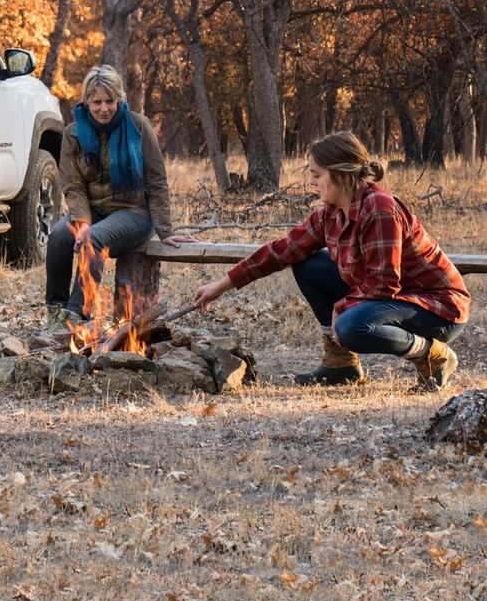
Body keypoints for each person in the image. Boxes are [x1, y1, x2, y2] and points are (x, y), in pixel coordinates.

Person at [191, 131, 471, 391]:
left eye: (317, 174)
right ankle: (342, 366)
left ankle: (434, 356)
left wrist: (342, 307)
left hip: (437, 309)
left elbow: (384, 283)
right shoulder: (331, 212)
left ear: (341, 174)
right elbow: (282, 250)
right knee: (308, 265)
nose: (311, 182)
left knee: (351, 326)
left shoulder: (379, 208)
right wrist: (223, 284)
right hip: (395, 298)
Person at [35, 64, 195, 340]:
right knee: (60, 235)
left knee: (94, 238)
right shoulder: (73, 134)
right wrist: (81, 222)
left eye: (110, 101)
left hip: (133, 213)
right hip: (94, 211)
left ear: (119, 99)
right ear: (86, 102)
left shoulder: (139, 126)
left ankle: (77, 315)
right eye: (96, 102)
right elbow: (73, 186)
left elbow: (157, 182)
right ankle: (56, 314)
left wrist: (166, 230)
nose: (104, 108)